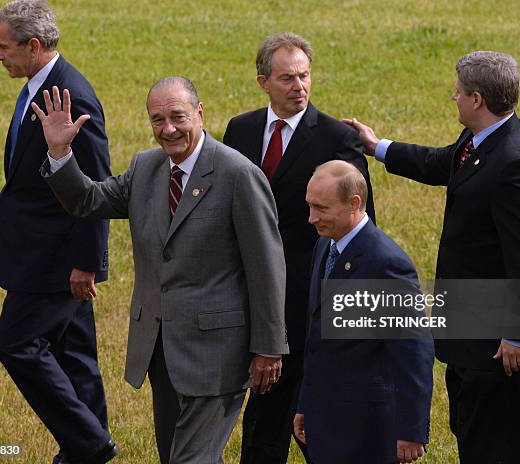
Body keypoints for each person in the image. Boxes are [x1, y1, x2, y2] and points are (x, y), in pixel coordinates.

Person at [31, 77, 288, 464]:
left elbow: (267, 266)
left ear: (200, 114)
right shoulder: (146, 167)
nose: (168, 129)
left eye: (177, 117)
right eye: (157, 120)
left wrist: (269, 347)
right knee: (176, 456)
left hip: (217, 354)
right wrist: (59, 151)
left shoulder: (238, 175)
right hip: (161, 348)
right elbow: (87, 201)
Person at [345, 51, 520, 464]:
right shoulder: (483, 140)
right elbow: (443, 163)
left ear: (477, 99)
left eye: (457, 93)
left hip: (499, 343)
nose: (453, 97)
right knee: (478, 428)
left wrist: (518, 334)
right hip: (473, 327)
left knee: (489, 442)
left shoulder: (515, 165)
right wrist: (378, 147)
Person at [223, 32, 375, 464]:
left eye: (304, 76)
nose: (299, 87)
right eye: (287, 78)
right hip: (248, 296)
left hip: (306, 305)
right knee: (263, 427)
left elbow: (362, 232)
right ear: (262, 81)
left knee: (307, 423)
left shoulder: (336, 139)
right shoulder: (241, 130)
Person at [0, 1, 115, 463]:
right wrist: (0, 209)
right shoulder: (39, 87)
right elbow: (30, 169)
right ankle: (85, 449)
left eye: (4, 47)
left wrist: (87, 262)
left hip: (56, 261)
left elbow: (96, 186)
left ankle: (91, 444)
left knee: (16, 344)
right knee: (74, 354)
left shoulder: (69, 96)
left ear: (33, 46)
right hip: (43, 250)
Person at [293, 160, 434, 464]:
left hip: (366, 429)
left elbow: (413, 351)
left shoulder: (385, 263)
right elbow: (318, 339)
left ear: (354, 204)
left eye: (321, 208)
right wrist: (306, 404)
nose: (311, 218)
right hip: (326, 418)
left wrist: (411, 429)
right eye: (309, 206)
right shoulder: (325, 246)